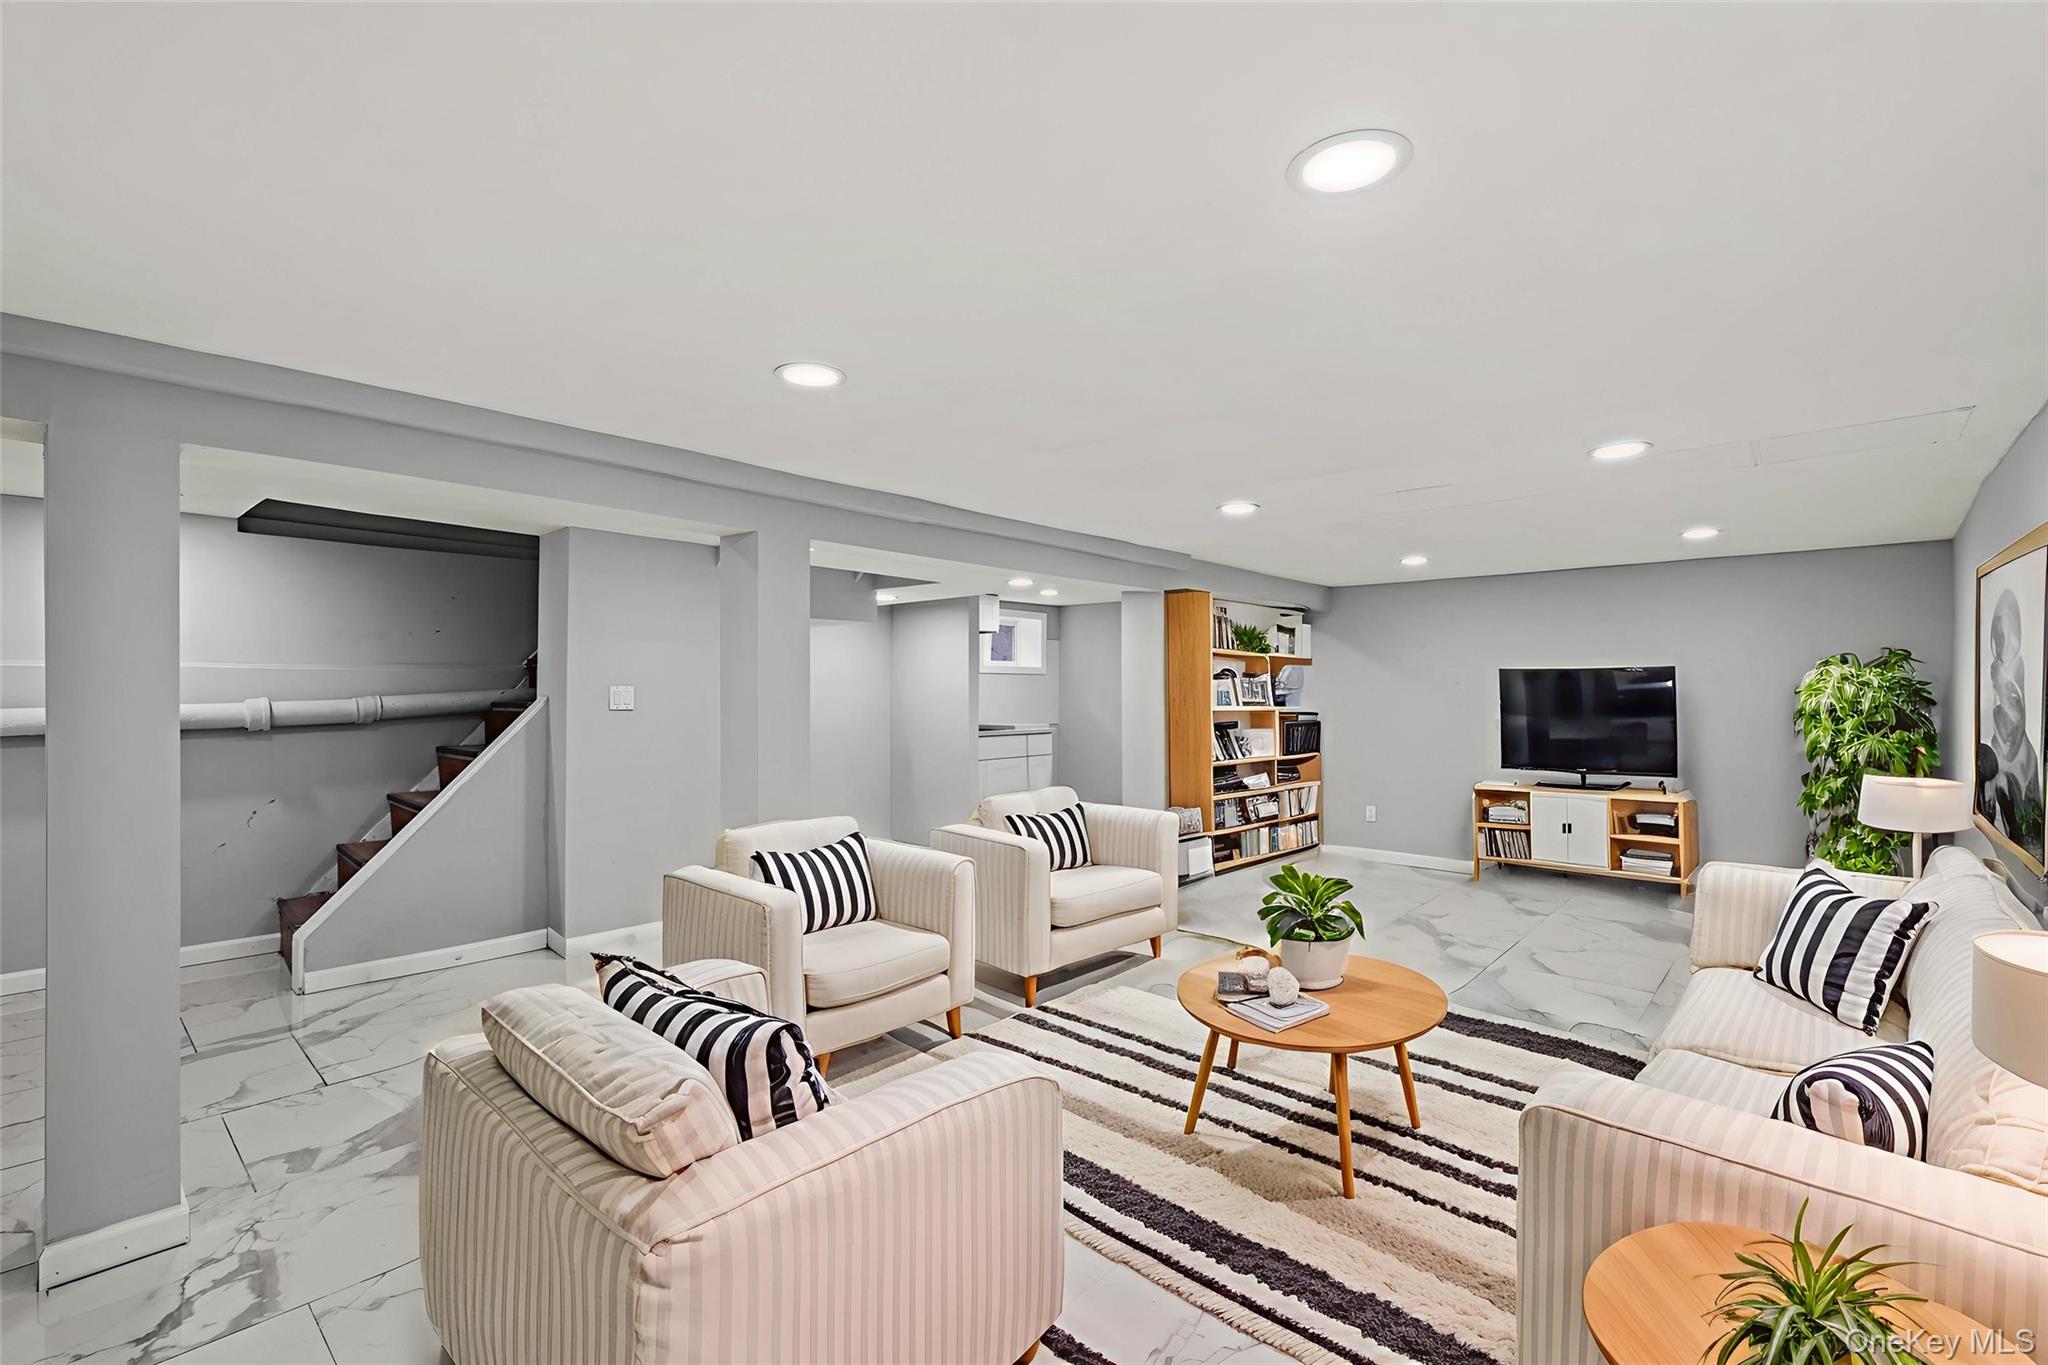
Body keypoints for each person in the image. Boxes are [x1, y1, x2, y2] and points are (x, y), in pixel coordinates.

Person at [1982, 586, 2045, 859]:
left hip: (2019, 760)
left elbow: (2016, 716)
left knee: (2023, 827)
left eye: (2008, 632)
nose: (2003, 640)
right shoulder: (1998, 668)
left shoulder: (2015, 668)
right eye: (1999, 633)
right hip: (2005, 756)